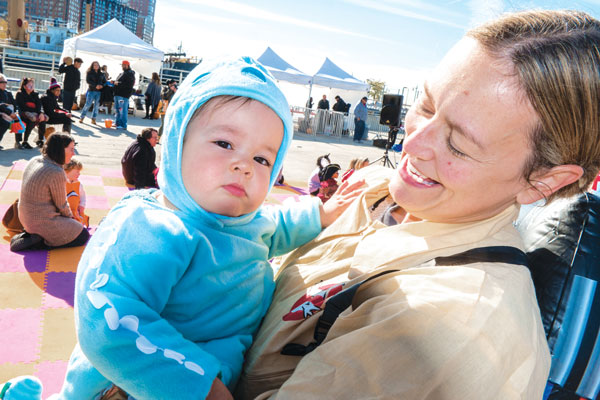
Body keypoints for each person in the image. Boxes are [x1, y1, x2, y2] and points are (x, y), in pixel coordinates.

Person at [234, 10, 600, 399]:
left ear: (542, 180)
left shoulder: (446, 327)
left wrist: (167, 349)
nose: (411, 144)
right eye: (425, 106)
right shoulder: (372, 191)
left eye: (458, 144)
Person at [0, 56, 363, 400]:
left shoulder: (245, 222)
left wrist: (322, 213)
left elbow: (278, 224)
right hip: (132, 383)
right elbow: (106, 318)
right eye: (225, 143)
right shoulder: (154, 227)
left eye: (262, 158)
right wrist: (199, 385)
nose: (244, 166)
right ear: (177, 143)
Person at [10, 132, 89, 252]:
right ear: (60, 150)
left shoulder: (35, 160)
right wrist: (72, 219)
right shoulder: (55, 171)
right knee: (83, 235)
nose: (73, 154)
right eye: (71, 149)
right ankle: (40, 241)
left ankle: (30, 234)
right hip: (40, 221)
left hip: (25, 217)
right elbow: (62, 206)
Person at [15, 77, 48, 149]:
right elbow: (22, 106)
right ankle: (25, 141)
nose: (32, 86)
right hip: (23, 113)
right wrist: (34, 111)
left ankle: (40, 140)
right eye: (30, 85)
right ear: (24, 86)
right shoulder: (20, 94)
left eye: (33, 85)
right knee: (31, 121)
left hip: (34, 113)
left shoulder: (35, 94)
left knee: (42, 121)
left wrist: (41, 113)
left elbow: (39, 105)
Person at [40, 79, 73, 143]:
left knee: (67, 119)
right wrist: (65, 114)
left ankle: (65, 138)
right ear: (52, 90)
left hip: (50, 115)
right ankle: (66, 139)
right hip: (47, 117)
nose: (59, 92)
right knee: (67, 120)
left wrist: (66, 112)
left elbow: (57, 107)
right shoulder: (47, 98)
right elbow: (51, 113)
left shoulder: (52, 96)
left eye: (60, 91)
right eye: (57, 90)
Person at [64, 158, 89, 227]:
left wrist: (82, 205)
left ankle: (84, 219)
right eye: (77, 171)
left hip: (75, 211)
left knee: (78, 225)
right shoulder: (61, 183)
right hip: (64, 211)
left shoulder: (78, 184)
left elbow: (83, 196)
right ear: (67, 171)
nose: (79, 174)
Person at [79, 61, 106, 125]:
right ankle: (82, 117)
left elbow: (104, 82)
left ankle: (93, 119)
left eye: (97, 65)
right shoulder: (89, 72)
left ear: (99, 66)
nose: (96, 66)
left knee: (96, 106)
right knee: (88, 104)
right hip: (91, 91)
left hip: (99, 92)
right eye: (94, 65)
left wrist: (102, 85)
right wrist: (95, 85)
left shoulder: (102, 73)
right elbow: (88, 81)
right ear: (92, 66)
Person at [112, 60, 135, 130]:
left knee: (122, 110)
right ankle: (117, 123)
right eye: (122, 65)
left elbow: (129, 84)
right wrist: (114, 82)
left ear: (128, 65)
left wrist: (117, 83)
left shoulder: (130, 73)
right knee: (117, 109)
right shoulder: (123, 73)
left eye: (124, 65)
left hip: (123, 95)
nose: (123, 66)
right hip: (118, 94)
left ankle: (123, 125)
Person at [0, 73, 18, 150]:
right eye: (2, 82)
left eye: (5, 82)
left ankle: (19, 142)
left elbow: (15, 104)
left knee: (19, 120)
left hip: (9, 115)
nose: (4, 84)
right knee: (4, 123)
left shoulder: (8, 93)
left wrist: (16, 112)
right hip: (3, 114)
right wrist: (10, 113)